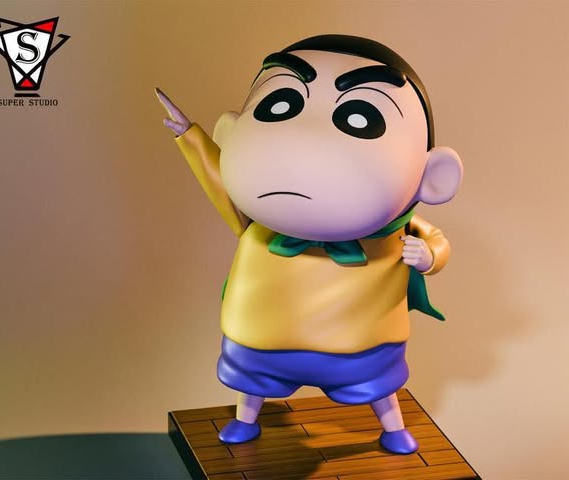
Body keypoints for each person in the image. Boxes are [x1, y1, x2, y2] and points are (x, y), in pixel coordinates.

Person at [156, 34, 463, 454]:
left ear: (433, 177)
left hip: (361, 339)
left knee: (379, 385)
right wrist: (190, 136)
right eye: (279, 104)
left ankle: (392, 428)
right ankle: (245, 420)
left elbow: (437, 244)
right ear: (231, 134)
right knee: (253, 382)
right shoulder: (258, 225)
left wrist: (428, 256)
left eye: (361, 117)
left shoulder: (397, 230)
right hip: (262, 334)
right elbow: (220, 185)